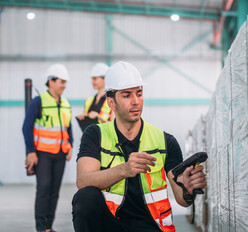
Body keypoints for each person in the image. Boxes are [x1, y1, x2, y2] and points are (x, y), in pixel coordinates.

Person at [71, 61, 207, 232]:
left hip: (151, 227)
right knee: (85, 197)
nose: (136, 101)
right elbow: (83, 180)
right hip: (112, 225)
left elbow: (181, 199)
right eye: (127, 95)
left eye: (139, 94)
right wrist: (124, 170)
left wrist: (188, 190)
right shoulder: (95, 134)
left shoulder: (165, 141)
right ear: (111, 103)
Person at [22, 63, 74, 232]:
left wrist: (70, 145)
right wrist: (31, 152)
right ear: (51, 81)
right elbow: (26, 127)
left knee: (54, 192)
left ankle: (48, 227)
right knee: (44, 189)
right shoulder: (39, 102)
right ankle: (41, 227)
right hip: (42, 154)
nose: (64, 85)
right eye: (62, 81)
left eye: (65, 82)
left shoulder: (65, 103)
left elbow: (68, 127)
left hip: (60, 154)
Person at [76, 63, 113, 131]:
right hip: (90, 139)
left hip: (104, 140)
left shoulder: (112, 100)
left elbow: (114, 127)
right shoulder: (89, 101)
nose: (92, 82)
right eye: (92, 79)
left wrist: (98, 117)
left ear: (105, 79)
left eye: (95, 79)